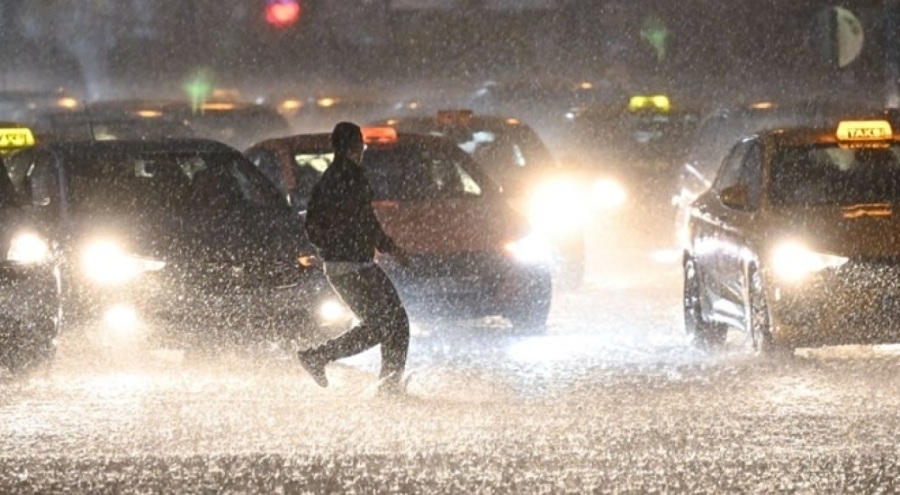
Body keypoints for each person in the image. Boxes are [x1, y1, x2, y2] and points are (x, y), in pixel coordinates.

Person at [299, 121, 411, 394]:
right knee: (388, 324)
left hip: (346, 264)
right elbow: (366, 221)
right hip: (354, 266)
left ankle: (388, 386)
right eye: (360, 143)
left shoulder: (327, 179)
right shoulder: (351, 177)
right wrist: (390, 248)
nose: (362, 148)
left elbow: (312, 224)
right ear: (354, 146)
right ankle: (320, 356)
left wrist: (330, 248)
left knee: (390, 323)